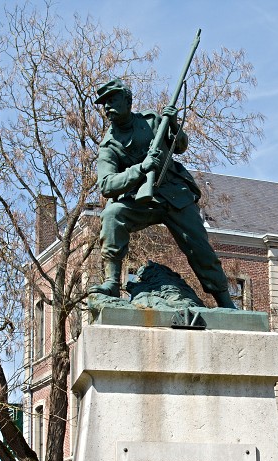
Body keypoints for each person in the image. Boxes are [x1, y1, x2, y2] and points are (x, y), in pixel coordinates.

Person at [90, 78, 235, 309]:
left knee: (200, 247)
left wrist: (174, 124)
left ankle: (225, 302)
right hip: (141, 199)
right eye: (104, 103)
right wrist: (140, 168)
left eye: (112, 100)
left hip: (174, 194)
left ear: (128, 101)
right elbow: (107, 185)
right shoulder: (109, 145)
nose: (107, 107)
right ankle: (111, 282)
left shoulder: (152, 121)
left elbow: (180, 146)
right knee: (112, 215)